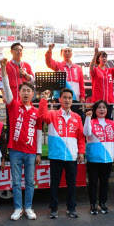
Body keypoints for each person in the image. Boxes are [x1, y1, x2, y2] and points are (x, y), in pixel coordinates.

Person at [0, 58, 43, 221]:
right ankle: (18, 208)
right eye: (23, 90)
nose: (25, 93)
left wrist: (39, 152)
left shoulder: (36, 111)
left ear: (32, 94)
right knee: (16, 182)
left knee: (30, 182)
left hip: (31, 153)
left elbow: (39, 132)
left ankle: (29, 208)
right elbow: (5, 84)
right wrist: (4, 68)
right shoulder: (13, 105)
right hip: (15, 151)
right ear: (19, 93)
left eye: (28, 91)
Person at [38, 88, 85, 219]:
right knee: (54, 184)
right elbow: (41, 116)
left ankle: (72, 208)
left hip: (72, 156)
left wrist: (81, 152)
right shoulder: (52, 114)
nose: (67, 100)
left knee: (71, 184)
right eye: (64, 97)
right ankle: (53, 209)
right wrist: (44, 99)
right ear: (60, 99)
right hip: (56, 156)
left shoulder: (77, 117)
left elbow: (81, 137)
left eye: (69, 98)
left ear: (72, 100)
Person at [83, 100, 114, 215]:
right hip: (93, 158)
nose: (102, 109)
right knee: (93, 182)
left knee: (105, 182)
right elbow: (86, 133)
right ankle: (93, 204)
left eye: (104, 107)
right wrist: (87, 119)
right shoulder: (91, 121)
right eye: (99, 107)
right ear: (95, 110)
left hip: (107, 159)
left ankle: (102, 203)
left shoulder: (112, 123)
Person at [45, 43, 86, 116]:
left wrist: (82, 96)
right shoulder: (58, 65)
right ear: (61, 54)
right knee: (60, 119)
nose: (67, 53)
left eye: (69, 51)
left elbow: (81, 84)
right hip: (62, 99)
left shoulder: (78, 68)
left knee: (74, 119)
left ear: (71, 54)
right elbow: (49, 63)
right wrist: (49, 50)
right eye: (65, 51)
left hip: (75, 99)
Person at [89, 44, 114, 119]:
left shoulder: (110, 71)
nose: (104, 59)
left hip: (109, 102)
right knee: (96, 120)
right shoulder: (96, 70)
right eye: (102, 57)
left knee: (108, 120)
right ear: (98, 59)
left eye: (105, 57)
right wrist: (95, 54)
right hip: (97, 102)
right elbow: (91, 67)